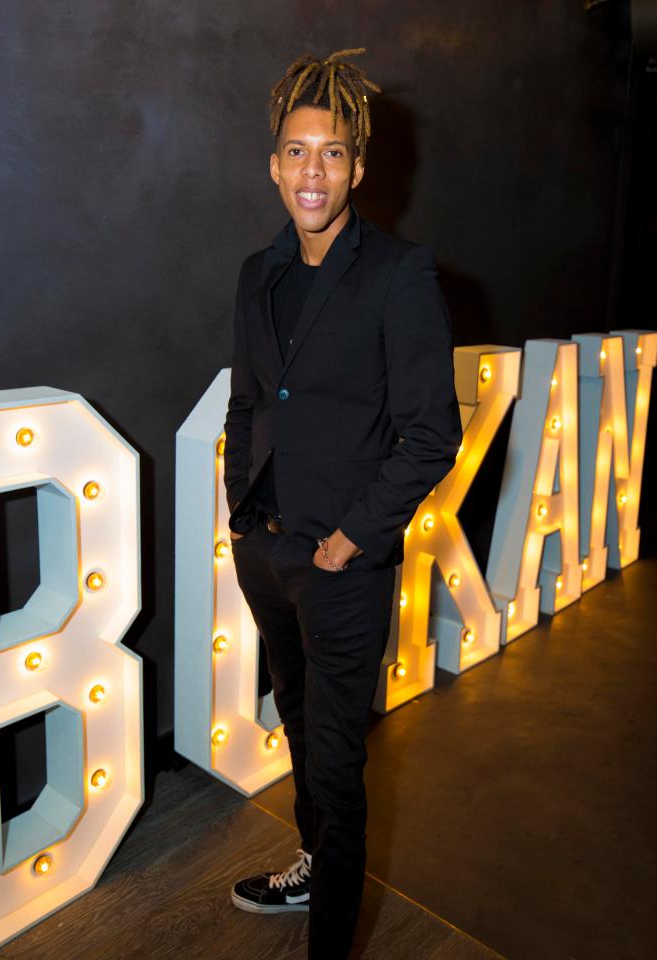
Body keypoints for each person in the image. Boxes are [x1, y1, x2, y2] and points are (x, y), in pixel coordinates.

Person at [223, 48, 462, 960]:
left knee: (338, 763)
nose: (310, 171)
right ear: (274, 164)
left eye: (330, 154)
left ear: (358, 168)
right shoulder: (257, 273)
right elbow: (249, 402)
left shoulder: (399, 273)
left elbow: (430, 434)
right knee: (296, 726)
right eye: (295, 152)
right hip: (268, 554)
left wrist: (348, 540)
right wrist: (241, 515)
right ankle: (310, 865)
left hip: (343, 568)